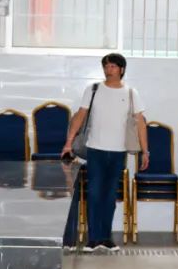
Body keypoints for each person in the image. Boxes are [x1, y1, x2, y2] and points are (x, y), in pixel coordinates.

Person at [61, 53, 148, 252]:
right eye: (106, 66)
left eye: (113, 66)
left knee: (109, 196)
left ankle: (106, 238)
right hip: (95, 150)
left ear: (121, 69)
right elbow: (80, 116)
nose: (109, 69)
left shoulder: (131, 93)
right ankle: (93, 239)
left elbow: (141, 124)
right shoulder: (93, 90)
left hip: (118, 152)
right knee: (94, 193)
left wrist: (145, 151)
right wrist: (68, 143)